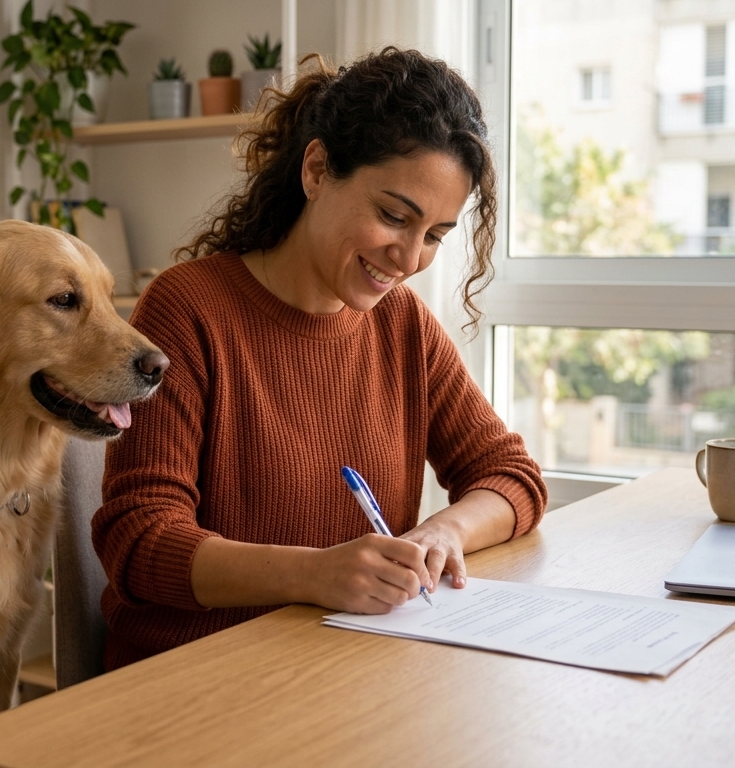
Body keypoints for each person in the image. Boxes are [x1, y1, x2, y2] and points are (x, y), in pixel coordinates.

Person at [92, 48, 547, 671]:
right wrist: (314, 574)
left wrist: (443, 533)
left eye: (436, 235)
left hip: (340, 671)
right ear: (316, 169)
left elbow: (510, 475)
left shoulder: (402, 324)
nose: (410, 258)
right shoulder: (188, 309)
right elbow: (139, 541)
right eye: (393, 216)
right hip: (190, 681)